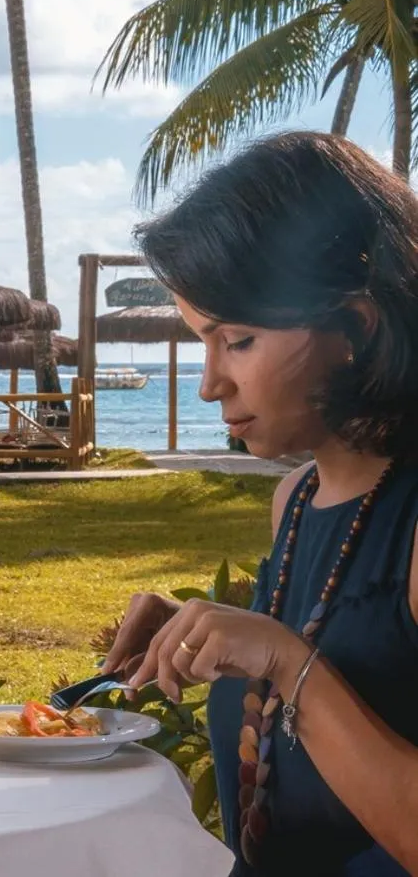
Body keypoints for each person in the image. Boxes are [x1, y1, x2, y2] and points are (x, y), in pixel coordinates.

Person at [101, 131, 418, 877]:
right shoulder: (297, 500)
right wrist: (207, 633)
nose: (210, 384)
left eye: (237, 340)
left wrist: (281, 659)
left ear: (355, 329)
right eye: (201, 343)